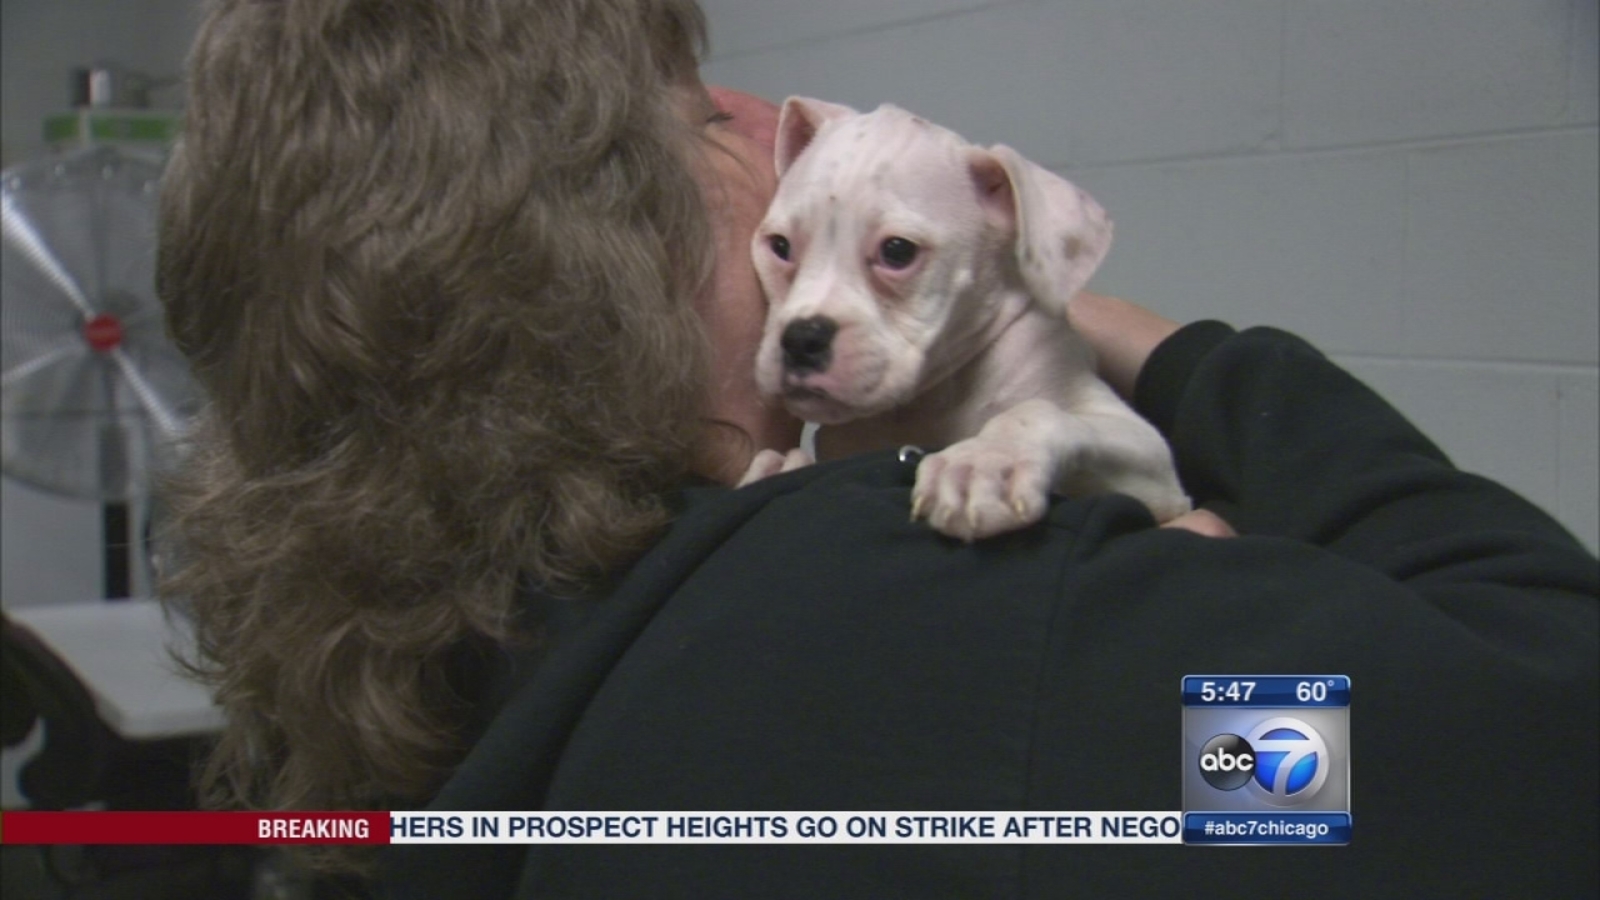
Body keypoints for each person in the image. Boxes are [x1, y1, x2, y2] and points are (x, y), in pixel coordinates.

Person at [155, 0, 1598, 897]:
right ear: (623, 224)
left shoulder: (412, 662)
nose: (756, 129)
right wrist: (1173, 354)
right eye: (702, 119)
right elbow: (1539, 731)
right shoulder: (959, 622)